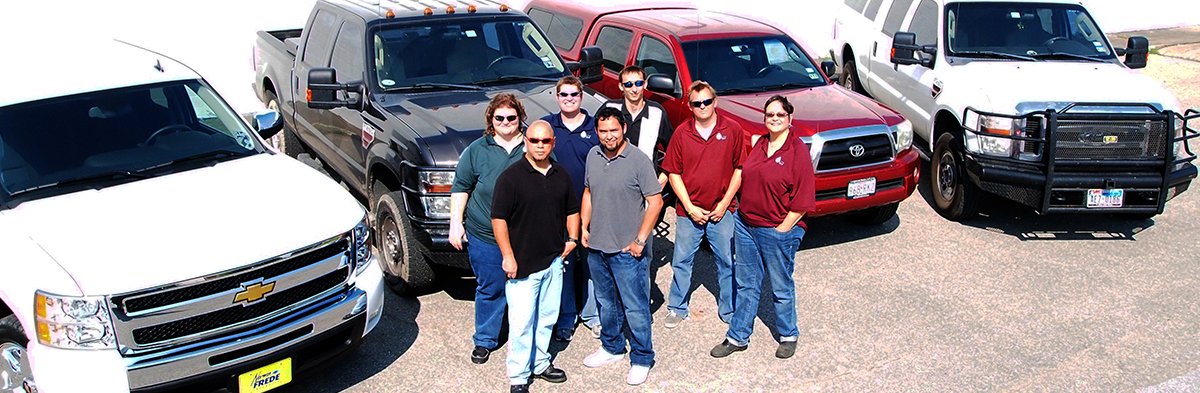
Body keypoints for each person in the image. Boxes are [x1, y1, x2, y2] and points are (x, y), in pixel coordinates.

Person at [710, 95, 815, 360]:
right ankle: (738, 337)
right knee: (746, 284)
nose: (775, 119)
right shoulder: (759, 143)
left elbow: (803, 199)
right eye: (770, 115)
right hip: (746, 225)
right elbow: (743, 174)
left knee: (780, 286)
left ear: (790, 118)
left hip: (776, 228)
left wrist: (783, 228)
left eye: (780, 114)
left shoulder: (797, 150)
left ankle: (788, 334)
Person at [492, 120, 581, 393]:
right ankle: (518, 376)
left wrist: (573, 239)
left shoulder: (560, 174)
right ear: (526, 142)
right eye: (534, 141)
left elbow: (572, 211)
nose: (540, 146)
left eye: (545, 141)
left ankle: (540, 363)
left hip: (553, 262)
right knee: (521, 324)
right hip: (522, 266)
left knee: (547, 318)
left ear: (553, 142)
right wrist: (508, 256)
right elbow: (499, 220)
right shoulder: (511, 178)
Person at [580, 107, 663, 386]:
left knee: (635, 307)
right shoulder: (593, 155)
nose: (608, 136)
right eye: (603, 131)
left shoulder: (638, 160)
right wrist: (584, 226)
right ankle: (612, 347)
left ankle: (642, 357)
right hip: (598, 246)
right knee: (606, 302)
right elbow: (589, 192)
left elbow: (656, 202)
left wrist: (640, 240)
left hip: (628, 250)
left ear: (624, 129)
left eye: (613, 130)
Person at [450, 93, 528, 365]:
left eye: (512, 117)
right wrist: (455, 224)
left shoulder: (533, 146)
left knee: (526, 289)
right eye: (500, 118)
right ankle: (485, 339)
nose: (506, 122)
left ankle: (524, 338)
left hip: (524, 235)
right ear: (491, 120)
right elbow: (461, 187)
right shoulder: (477, 150)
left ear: (520, 118)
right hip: (485, 235)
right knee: (490, 287)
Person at [661, 80, 745, 328]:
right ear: (690, 106)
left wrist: (724, 203)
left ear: (715, 101)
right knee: (682, 261)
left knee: (727, 261)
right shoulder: (682, 133)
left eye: (707, 101)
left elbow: (740, 169)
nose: (703, 106)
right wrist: (689, 207)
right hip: (689, 212)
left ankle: (729, 309)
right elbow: (673, 173)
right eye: (697, 103)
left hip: (723, 210)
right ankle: (677, 307)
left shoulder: (733, 130)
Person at [541, 76, 602, 342]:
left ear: (582, 95)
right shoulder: (548, 127)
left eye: (574, 94)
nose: (569, 99)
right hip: (558, 212)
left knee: (591, 264)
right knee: (564, 265)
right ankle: (566, 317)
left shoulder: (594, 127)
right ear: (557, 97)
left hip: (591, 208)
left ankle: (592, 315)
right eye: (564, 95)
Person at [601, 65, 672, 189]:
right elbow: (594, 145)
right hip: (613, 184)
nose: (634, 89)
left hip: (645, 186)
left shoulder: (657, 112)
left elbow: (673, 151)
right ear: (621, 86)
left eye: (638, 83)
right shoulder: (610, 109)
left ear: (645, 84)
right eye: (628, 85)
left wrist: (663, 178)